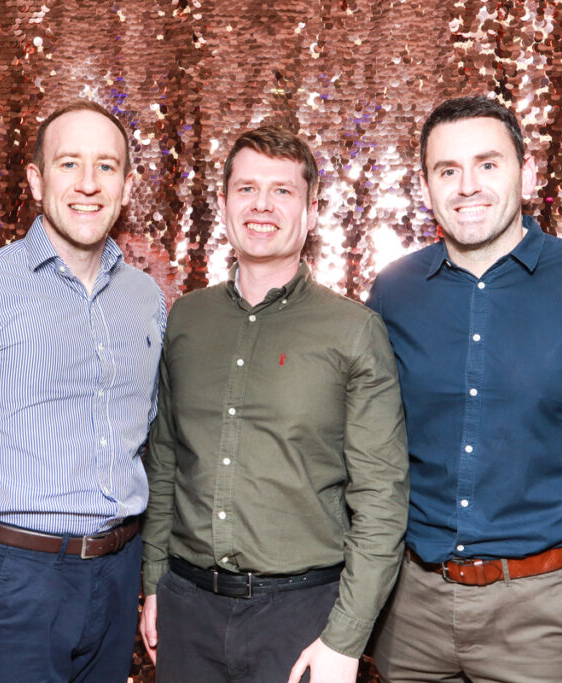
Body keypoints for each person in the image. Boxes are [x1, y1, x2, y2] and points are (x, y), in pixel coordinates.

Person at [367, 95, 562, 683]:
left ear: (527, 173)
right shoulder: (393, 292)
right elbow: (361, 449)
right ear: (427, 186)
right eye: (447, 170)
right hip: (409, 611)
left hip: (543, 616)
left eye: (488, 164)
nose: (468, 186)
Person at [0, 100, 165, 682]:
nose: (88, 184)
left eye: (106, 166)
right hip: (12, 577)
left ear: (127, 184)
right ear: (37, 181)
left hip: (118, 576)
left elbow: (146, 435)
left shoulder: (145, 299)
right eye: (69, 164)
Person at [140, 126, 409, 683]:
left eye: (283, 192)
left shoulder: (353, 331)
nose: (262, 205)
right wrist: (152, 584)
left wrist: (345, 637)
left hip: (303, 618)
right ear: (223, 204)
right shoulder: (186, 319)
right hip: (187, 608)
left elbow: (381, 499)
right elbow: (164, 461)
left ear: (311, 212)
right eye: (247, 189)